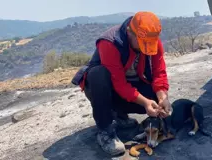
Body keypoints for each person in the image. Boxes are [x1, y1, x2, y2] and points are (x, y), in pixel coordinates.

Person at [71, 11, 171, 156]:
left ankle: (119, 116)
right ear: (130, 32)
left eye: (149, 44)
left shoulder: (151, 39)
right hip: (104, 89)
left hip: (126, 87)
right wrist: (144, 102)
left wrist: (163, 97)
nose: (145, 48)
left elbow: (159, 73)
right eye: (142, 43)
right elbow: (119, 84)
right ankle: (105, 130)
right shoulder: (110, 42)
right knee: (98, 74)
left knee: (155, 98)